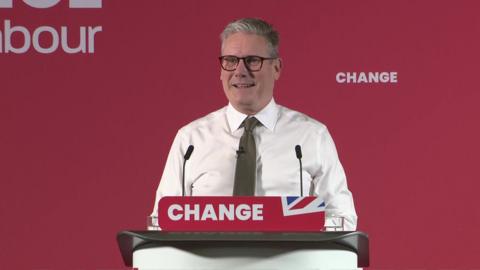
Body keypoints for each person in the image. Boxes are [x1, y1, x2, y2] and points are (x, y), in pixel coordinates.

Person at [151, 18, 357, 230]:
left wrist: (295, 226)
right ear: (221, 70)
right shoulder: (191, 140)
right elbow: (160, 223)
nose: (239, 71)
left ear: (276, 68)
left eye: (252, 60)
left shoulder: (312, 136)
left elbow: (342, 219)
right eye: (231, 60)